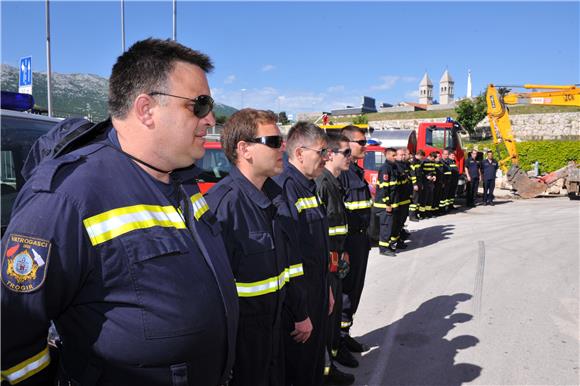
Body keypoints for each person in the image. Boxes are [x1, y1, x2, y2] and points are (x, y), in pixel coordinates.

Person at [1, 38, 239, 385]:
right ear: (146, 109)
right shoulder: (68, 198)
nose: (210, 119)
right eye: (199, 105)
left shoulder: (184, 183)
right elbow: (13, 335)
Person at [205, 109, 310, 386]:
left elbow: (288, 268)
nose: (283, 147)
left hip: (275, 335)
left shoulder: (275, 199)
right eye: (274, 141)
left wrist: (300, 313)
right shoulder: (222, 206)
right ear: (245, 149)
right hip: (241, 349)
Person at [274, 122, 330, 386]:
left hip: (316, 294)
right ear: (299, 153)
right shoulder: (285, 188)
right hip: (300, 304)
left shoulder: (308, 186)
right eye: (321, 151)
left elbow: (316, 248)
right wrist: (299, 313)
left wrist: (327, 289)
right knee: (299, 370)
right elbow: (288, 259)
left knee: (314, 365)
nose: (326, 157)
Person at [315, 133, 355, 386]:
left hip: (336, 261)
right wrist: (332, 258)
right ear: (330, 154)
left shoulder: (333, 182)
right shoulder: (323, 183)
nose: (351, 157)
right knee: (326, 321)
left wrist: (342, 253)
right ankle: (326, 374)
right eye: (346, 153)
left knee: (334, 318)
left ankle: (334, 359)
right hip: (326, 265)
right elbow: (319, 232)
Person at [338, 125, 372, 365]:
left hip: (361, 240)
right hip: (348, 243)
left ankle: (346, 334)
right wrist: (342, 251)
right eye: (361, 142)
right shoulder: (341, 175)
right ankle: (337, 342)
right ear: (347, 144)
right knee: (345, 294)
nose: (365, 146)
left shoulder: (356, 172)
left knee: (355, 292)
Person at [375, 148, 400, 256]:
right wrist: (388, 204)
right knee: (386, 226)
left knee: (390, 225)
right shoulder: (385, 168)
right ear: (388, 155)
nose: (395, 157)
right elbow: (384, 188)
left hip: (391, 202)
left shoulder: (392, 167)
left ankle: (387, 245)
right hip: (385, 204)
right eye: (393, 155)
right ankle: (383, 248)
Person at [409, 150, 425, 221]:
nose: (422, 158)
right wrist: (415, 184)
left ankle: (415, 214)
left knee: (418, 200)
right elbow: (413, 174)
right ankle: (412, 216)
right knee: (414, 200)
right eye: (422, 157)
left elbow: (420, 175)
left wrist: (421, 184)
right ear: (419, 155)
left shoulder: (418, 162)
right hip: (415, 184)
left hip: (419, 183)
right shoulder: (413, 162)